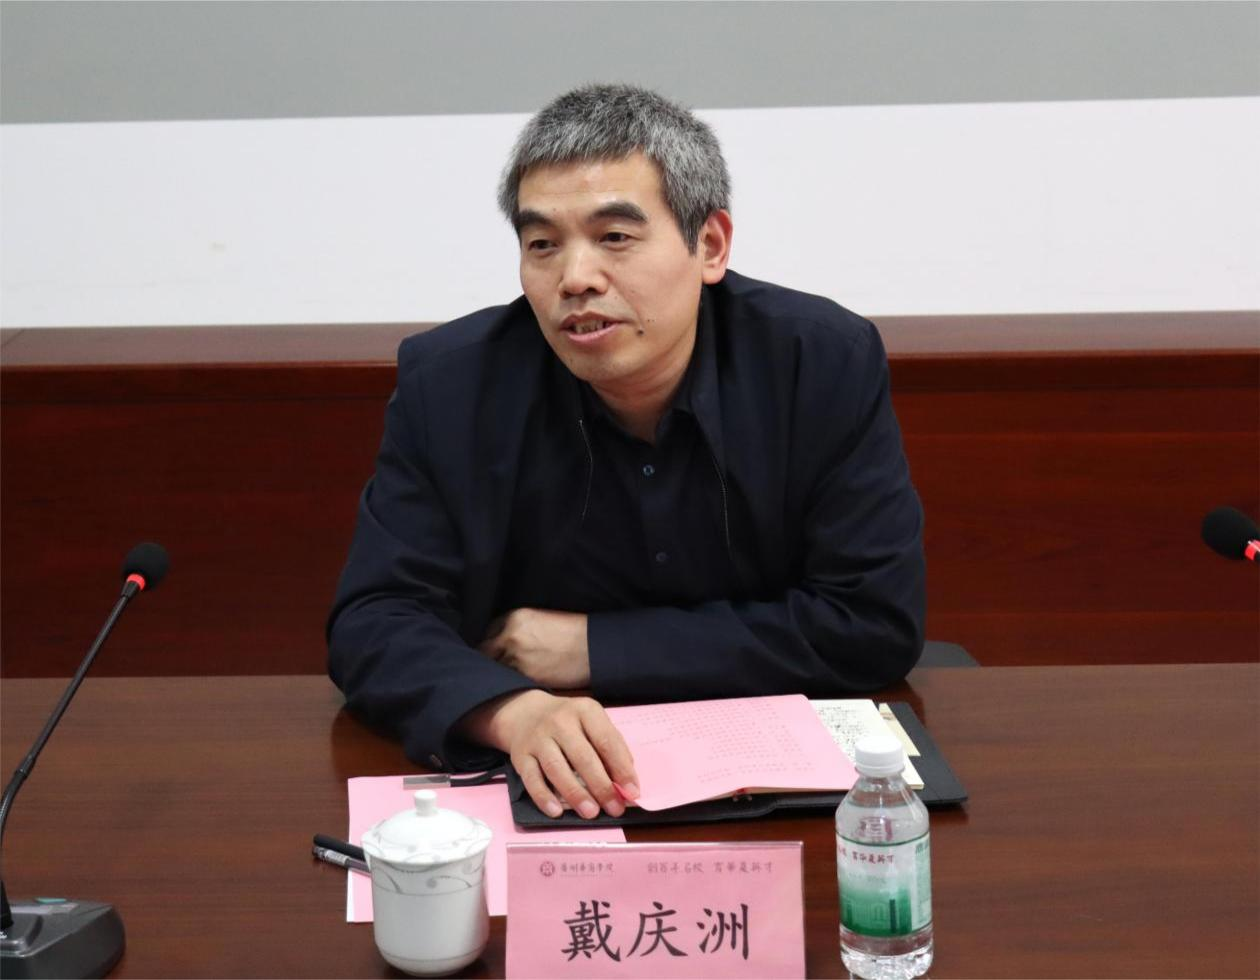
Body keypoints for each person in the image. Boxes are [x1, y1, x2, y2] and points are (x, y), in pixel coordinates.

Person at [327, 84, 925, 821]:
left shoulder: (818, 361)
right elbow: (375, 621)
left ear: (710, 246)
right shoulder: (451, 386)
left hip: (781, 784)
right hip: (552, 792)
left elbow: (871, 621)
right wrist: (509, 711)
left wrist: (594, 648)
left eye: (614, 237)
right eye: (542, 244)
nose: (574, 278)